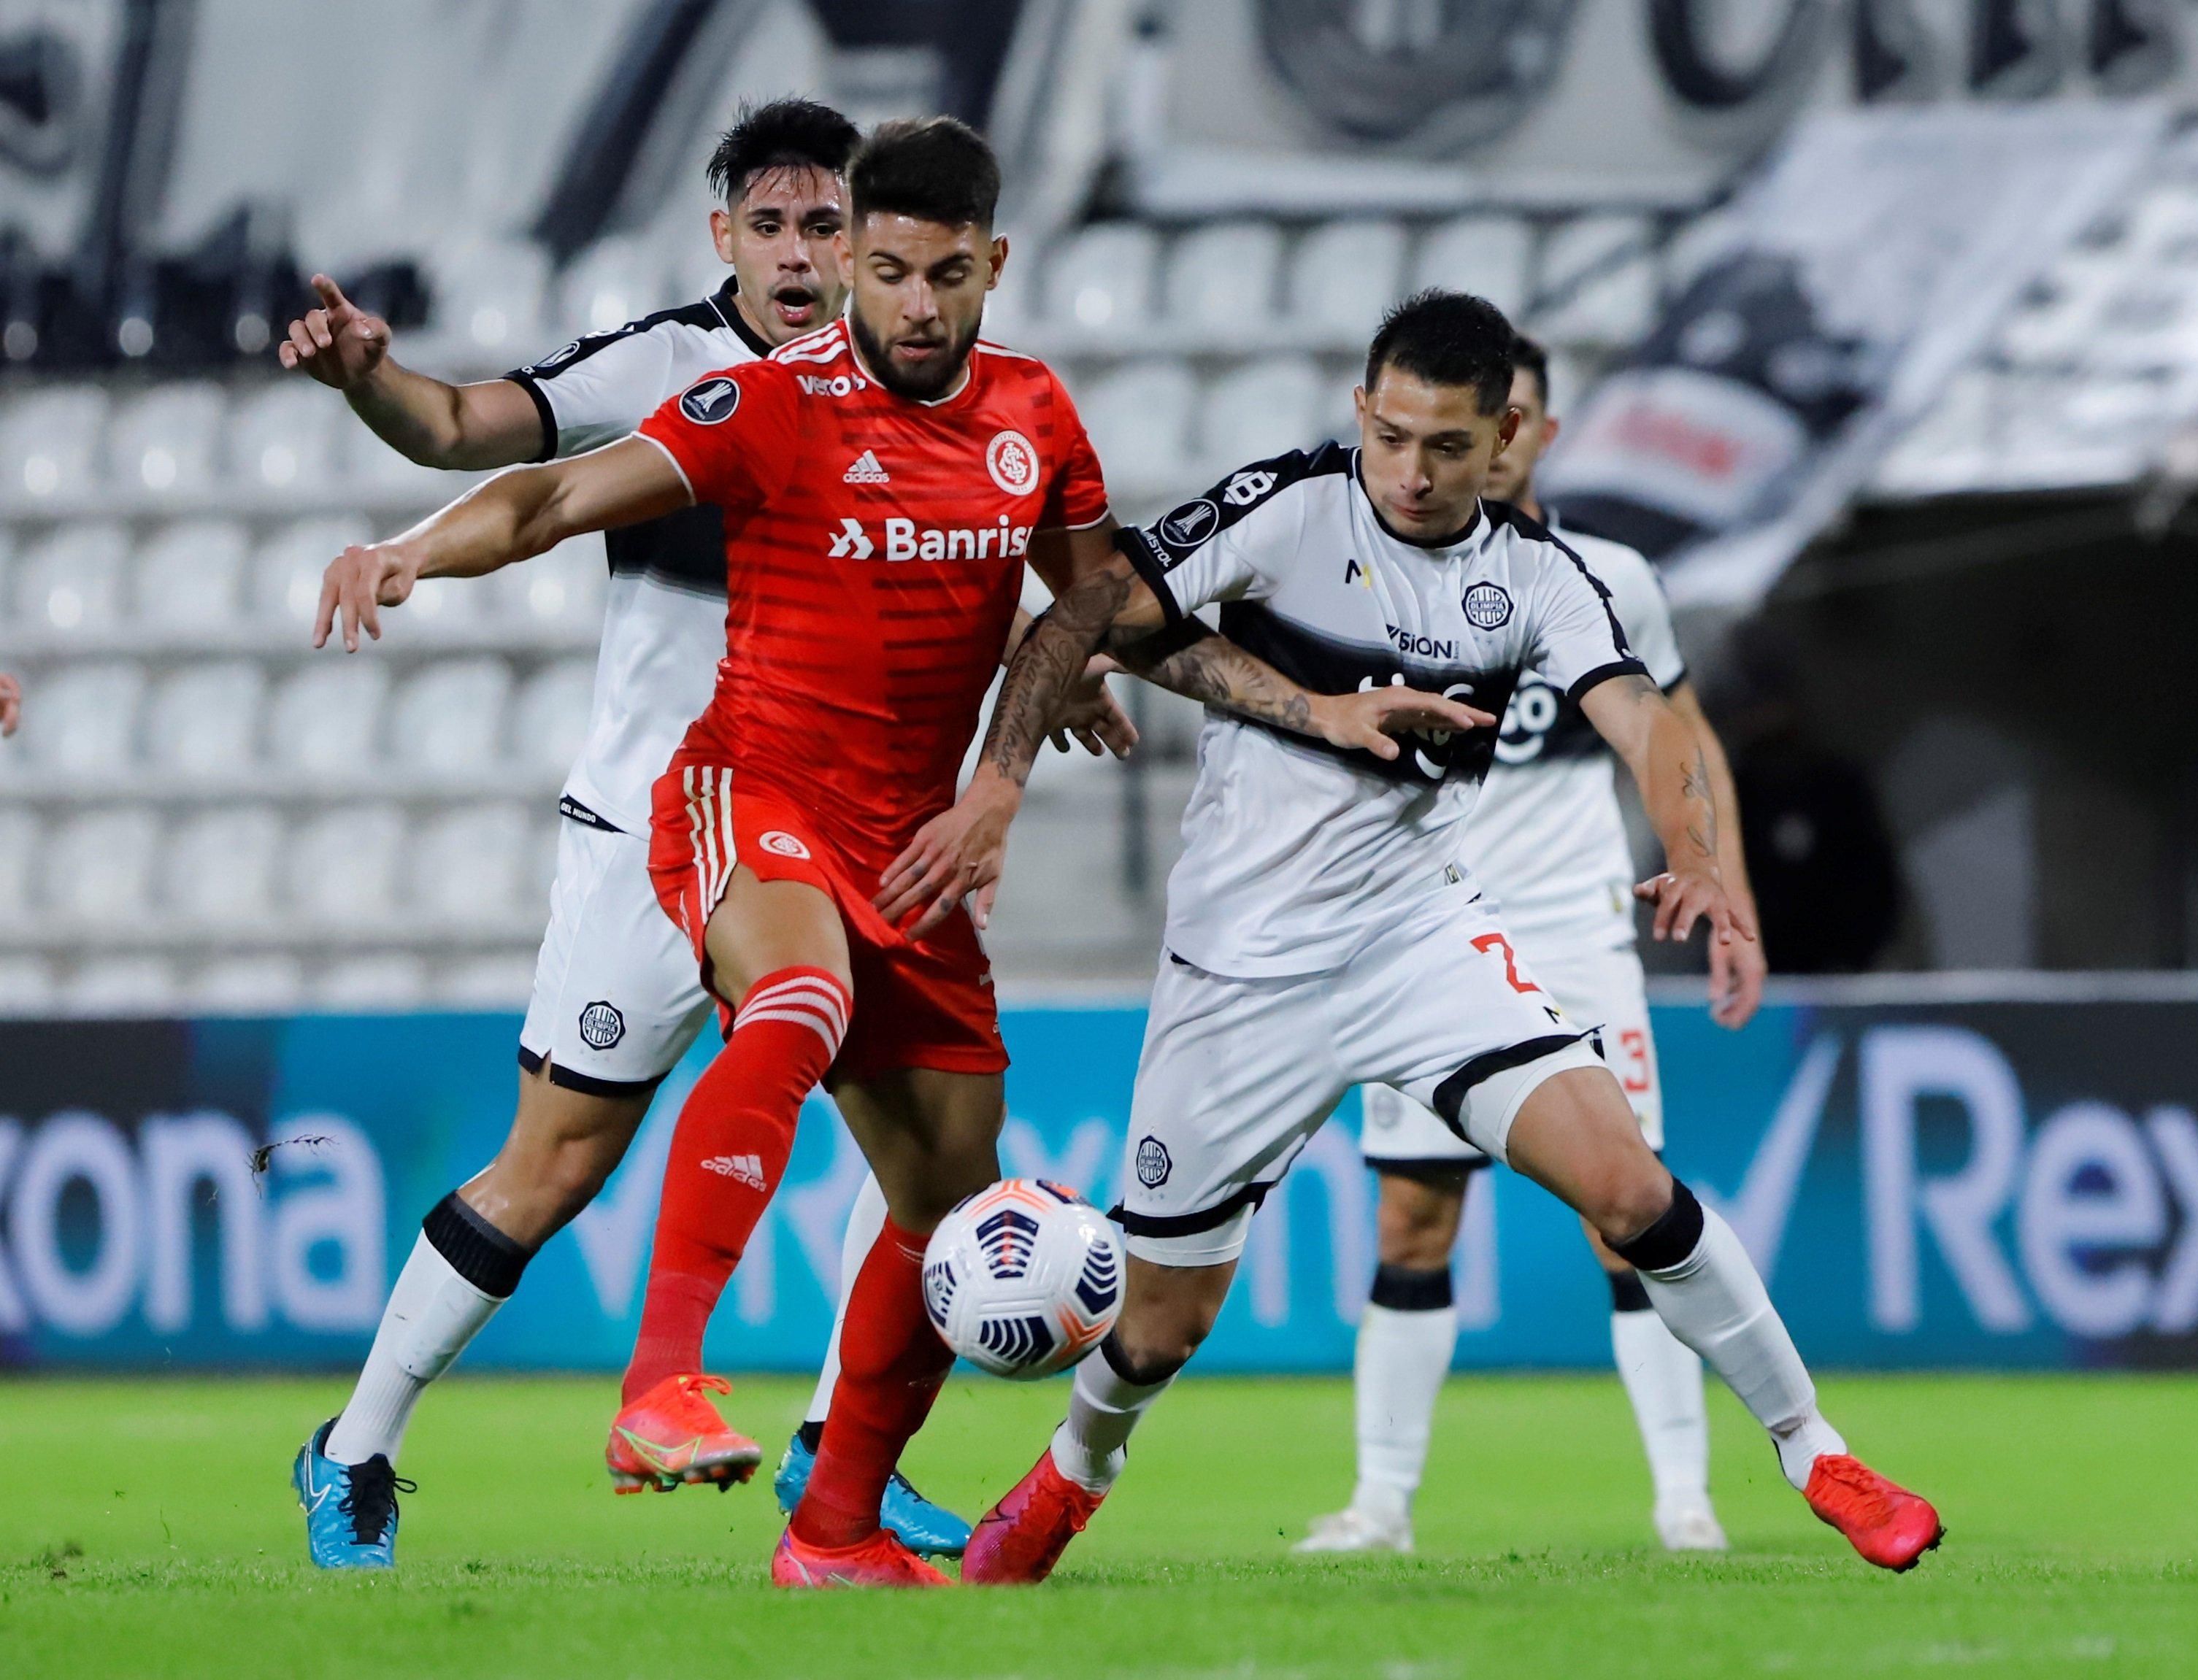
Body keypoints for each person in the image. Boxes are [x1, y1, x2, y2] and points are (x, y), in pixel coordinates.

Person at [307, 117, 1476, 1590]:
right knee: (693, 1072)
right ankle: (626, 1391)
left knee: (945, 1187)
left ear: (994, 265)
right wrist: (415, 548)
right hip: (730, 796)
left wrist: (1305, 702)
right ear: (829, 254)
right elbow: (535, 485)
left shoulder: (1032, 416)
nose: (914, 304)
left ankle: (835, 1524)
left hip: (901, 848)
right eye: (884, 269)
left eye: (945, 275)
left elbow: (1102, 607)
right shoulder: (753, 395)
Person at [898, 290, 1944, 1587]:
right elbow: (1079, 618)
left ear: (1506, 434)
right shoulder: (1287, 504)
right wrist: (995, 790)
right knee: (1162, 1322)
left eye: (1447, 445)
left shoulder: (1542, 582)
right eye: (1391, 435)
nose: (1411, 469)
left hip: (1417, 939)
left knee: (1629, 1188)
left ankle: (1815, 1449)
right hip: (1239, 973)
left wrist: (1699, 853)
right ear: (1361, 411)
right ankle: (1068, 1480)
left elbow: (1650, 724)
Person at [281, 98, 997, 1569]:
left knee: (926, 1155)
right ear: (723, 234)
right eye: (776, 227)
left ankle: (837, 1462)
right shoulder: (673, 367)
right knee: (548, 1167)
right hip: (651, 833)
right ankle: (353, 1444)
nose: (804, 258)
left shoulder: (927, 394)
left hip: (838, 827)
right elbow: (469, 433)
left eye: (829, 228)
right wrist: (372, 387)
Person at [1295, 336, 1765, 1558]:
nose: (1483, 444)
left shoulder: (1606, 577)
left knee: (1632, 1220)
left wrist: (1732, 896)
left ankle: (1685, 1501)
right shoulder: (1365, 573)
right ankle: (1381, 1505)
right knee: (1412, 1225)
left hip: (1578, 940)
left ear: (1536, 435)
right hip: (1427, 936)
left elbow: (1683, 741)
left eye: (1506, 420)